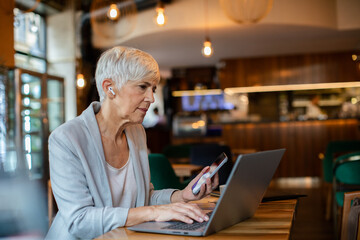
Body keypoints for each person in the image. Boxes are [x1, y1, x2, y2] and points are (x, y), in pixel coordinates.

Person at [45, 46, 218, 240]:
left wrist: (182, 196)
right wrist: (153, 213)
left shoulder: (136, 132)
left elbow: (142, 198)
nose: (151, 98)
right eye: (142, 87)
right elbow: (80, 220)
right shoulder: (66, 139)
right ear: (109, 87)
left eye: (153, 89)